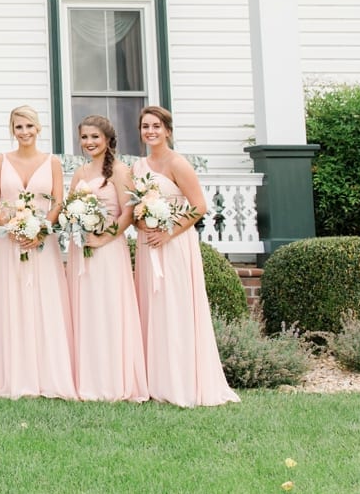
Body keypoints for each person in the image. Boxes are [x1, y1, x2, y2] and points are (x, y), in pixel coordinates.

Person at [132, 105, 239, 407]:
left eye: (156, 126)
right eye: (145, 127)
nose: (150, 131)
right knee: (151, 309)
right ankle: (155, 380)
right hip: (147, 245)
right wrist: (142, 222)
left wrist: (168, 231)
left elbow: (199, 206)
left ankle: (181, 382)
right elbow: (134, 206)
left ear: (167, 130)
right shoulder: (138, 167)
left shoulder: (178, 163)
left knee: (175, 307)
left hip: (175, 245)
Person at [0, 105, 76, 399]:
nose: (24, 132)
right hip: (9, 242)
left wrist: (40, 231)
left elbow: (58, 201)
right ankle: (14, 375)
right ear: (12, 130)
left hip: (42, 243)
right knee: (10, 303)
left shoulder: (51, 162)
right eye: (18, 127)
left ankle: (47, 374)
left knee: (44, 302)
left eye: (28, 126)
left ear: (38, 129)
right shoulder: (1, 161)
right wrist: (9, 227)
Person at [65, 114, 147, 402]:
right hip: (82, 250)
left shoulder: (121, 171)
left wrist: (104, 236)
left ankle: (112, 380)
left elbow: (129, 212)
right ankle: (86, 379)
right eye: (85, 137)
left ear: (108, 139)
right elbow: (69, 208)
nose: (89, 142)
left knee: (108, 310)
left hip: (109, 250)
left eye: (94, 137)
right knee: (84, 310)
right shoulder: (80, 173)